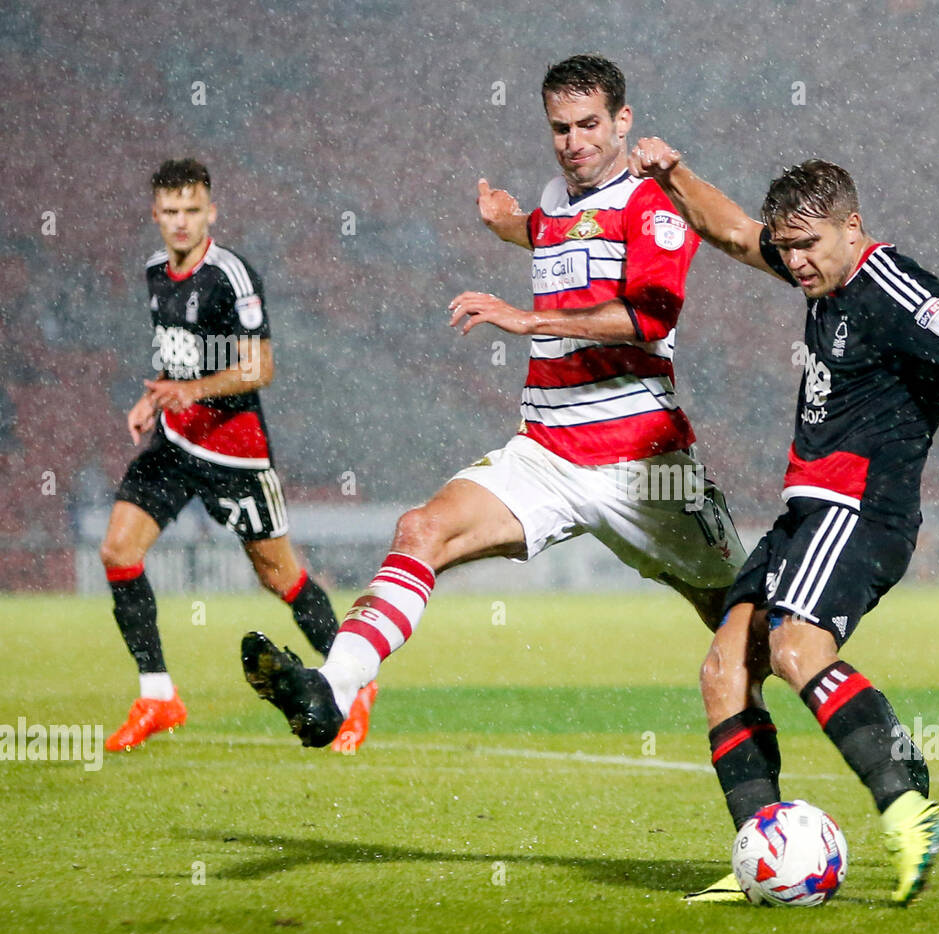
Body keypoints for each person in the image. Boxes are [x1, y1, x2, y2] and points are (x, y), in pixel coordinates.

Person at [630, 139, 939, 905]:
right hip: (809, 507)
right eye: (787, 248)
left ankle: (909, 806)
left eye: (810, 245)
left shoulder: (890, 282)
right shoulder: (811, 264)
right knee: (725, 670)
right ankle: (762, 849)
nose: (797, 263)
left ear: (854, 226)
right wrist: (675, 175)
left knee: (795, 648)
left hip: (861, 506)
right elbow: (726, 231)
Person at [240, 56, 746, 747]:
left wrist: (531, 321)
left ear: (623, 121)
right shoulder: (557, 201)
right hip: (544, 453)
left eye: (590, 124)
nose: (574, 141)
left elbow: (651, 317)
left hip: (641, 465)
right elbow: (561, 235)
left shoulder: (655, 202)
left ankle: (877, 762)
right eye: (560, 128)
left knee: (745, 623)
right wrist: (514, 227)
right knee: (421, 530)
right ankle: (334, 689)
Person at [102, 159, 375, 753]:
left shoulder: (231, 275)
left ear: (211, 213)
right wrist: (151, 399)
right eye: (170, 212)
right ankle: (158, 696)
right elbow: (177, 358)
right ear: (155, 215)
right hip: (175, 441)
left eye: (191, 210)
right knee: (118, 551)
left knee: (279, 576)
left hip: (235, 452)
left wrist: (191, 390)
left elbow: (260, 366)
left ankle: (352, 682)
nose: (180, 222)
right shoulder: (154, 272)